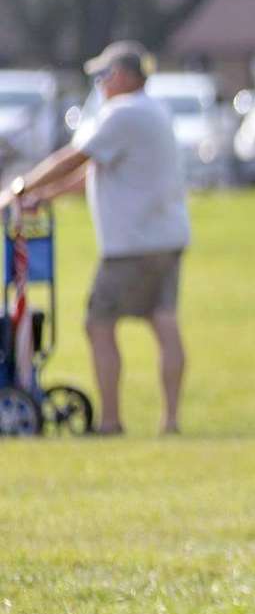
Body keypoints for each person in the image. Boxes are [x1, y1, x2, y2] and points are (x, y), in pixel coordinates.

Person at [0, 40, 190, 435]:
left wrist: (18, 188)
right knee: (163, 320)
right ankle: (170, 421)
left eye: (103, 76)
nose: (101, 84)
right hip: (167, 237)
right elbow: (96, 171)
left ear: (121, 76)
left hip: (131, 244)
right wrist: (43, 196)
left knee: (98, 323)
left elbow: (75, 156)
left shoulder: (122, 113)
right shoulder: (153, 111)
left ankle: (110, 421)